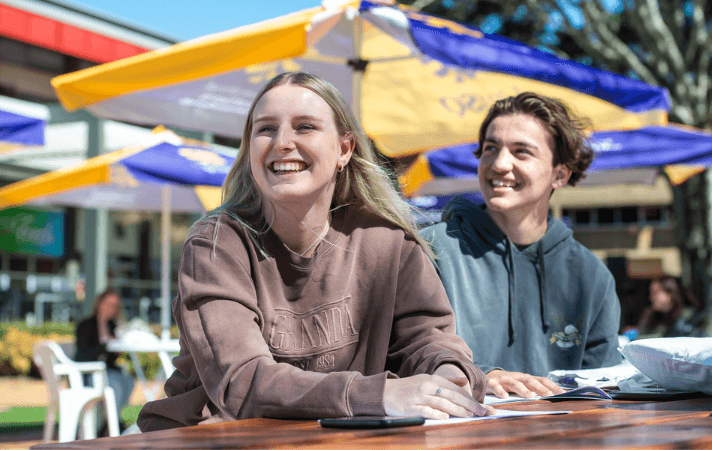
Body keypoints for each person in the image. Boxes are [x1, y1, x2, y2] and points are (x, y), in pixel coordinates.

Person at [137, 72, 490, 431]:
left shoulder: (389, 243)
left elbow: (429, 341)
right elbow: (242, 382)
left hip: (332, 439)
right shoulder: (216, 244)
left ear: (345, 149)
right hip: (206, 438)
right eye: (266, 129)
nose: (283, 143)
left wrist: (450, 376)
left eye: (305, 127)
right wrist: (375, 396)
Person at [421, 92, 622, 399]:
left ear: (559, 174)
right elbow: (407, 354)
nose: (500, 164)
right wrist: (482, 376)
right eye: (490, 148)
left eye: (521, 152)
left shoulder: (592, 276)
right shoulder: (430, 251)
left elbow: (602, 388)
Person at [74, 288, 134, 429]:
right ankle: (110, 425)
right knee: (116, 386)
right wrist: (105, 343)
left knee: (128, 382)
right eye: (108, 304)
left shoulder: (114, 326)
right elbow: (85, 354)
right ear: (99, 304)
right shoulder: (85, 325)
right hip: (88, 374)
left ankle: (111, 422)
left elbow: (114, 357)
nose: (111, 308)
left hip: (108, 372)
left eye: (115, 306)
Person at [636, 276, 703, 338]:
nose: (651, 297)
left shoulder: (687, 318)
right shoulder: (649, 317)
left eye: (655, 293)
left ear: (669, 293)